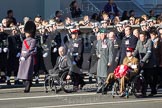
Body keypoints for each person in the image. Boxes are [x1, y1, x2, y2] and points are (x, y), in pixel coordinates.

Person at [17, 21, 37, 93]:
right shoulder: (24, 40)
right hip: (23, 57)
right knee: (22, 73)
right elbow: (22, 49)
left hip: (28, 58)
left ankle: (27, 87)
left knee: (27, 73)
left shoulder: (33, 40)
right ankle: (28, 83)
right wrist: (21, 57)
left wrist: (25, 56)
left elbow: (30, 49)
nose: (25, 34)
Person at [96, 28, 114, 93]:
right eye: (101, 34)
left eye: (103, 34)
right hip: (100, 60)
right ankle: (99, 86)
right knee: (99, 74)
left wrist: (110, 61)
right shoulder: (98, 42)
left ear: (106, 34)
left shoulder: (109, 42)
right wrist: (98, 54)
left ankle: (105, 87)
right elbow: (97, 50)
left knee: (104, 75)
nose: (102, 35)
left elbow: (111, 53)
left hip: (105, 60)